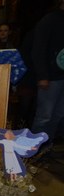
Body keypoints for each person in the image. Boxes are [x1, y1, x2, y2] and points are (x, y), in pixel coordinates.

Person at [30, 0, 64, 148]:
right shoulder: (49, 20)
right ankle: (33, 150)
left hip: (62, 76)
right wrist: (42, 75)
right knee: (44, 116)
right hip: (50, 78)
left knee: (58, 115)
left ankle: (46, 147)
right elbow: (38, 49)